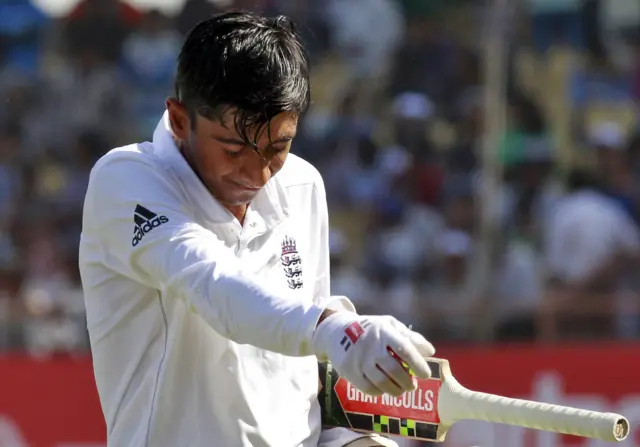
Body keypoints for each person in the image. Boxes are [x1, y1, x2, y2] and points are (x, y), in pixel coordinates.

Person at [78, 12, 436, 447]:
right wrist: (333, 328)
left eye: (278, 146)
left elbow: (305, 370)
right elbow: (214, 283)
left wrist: (349, 441)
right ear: (178, 120)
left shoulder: (303, 185)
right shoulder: (126, 180)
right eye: (233, 149)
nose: (257, 172)